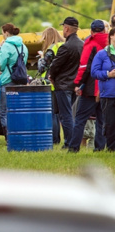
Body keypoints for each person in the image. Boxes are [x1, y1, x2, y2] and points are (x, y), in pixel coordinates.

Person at [68, 20, 108, 152]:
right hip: (106, 87)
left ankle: (73, 148)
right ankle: (100, 147)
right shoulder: (110, 43)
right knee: (101, 119)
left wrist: (78, 83)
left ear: (91, 31)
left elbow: (84, 67)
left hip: (91, 87)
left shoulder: (91, 43)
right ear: (104, 30)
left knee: (80, 118)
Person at [48, 17, 83, 149]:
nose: (63, 30)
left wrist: (52, 76)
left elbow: (55, 65)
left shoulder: (66, 47)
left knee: (65, 115)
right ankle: (72, 141)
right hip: (75, 85)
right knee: (71, 114)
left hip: (63, 85)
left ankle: (69, 143)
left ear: (67, 28)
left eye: (63, 27)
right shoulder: (82, 45)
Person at [0, 23, 27, 134]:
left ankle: (9, 135)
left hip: (7, 81)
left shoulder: (6, 46)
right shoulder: (24, 46)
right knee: (17, 109)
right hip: (20, 80)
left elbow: (0, 65)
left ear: (6, 33)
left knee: (4, 111)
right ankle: (19, 131)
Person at [91, 27, 115, 151]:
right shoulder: (102, 54)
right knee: (110, 124)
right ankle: (111, 149)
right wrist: (108, 74)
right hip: (108, 94)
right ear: (111, 36)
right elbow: (94, 72)